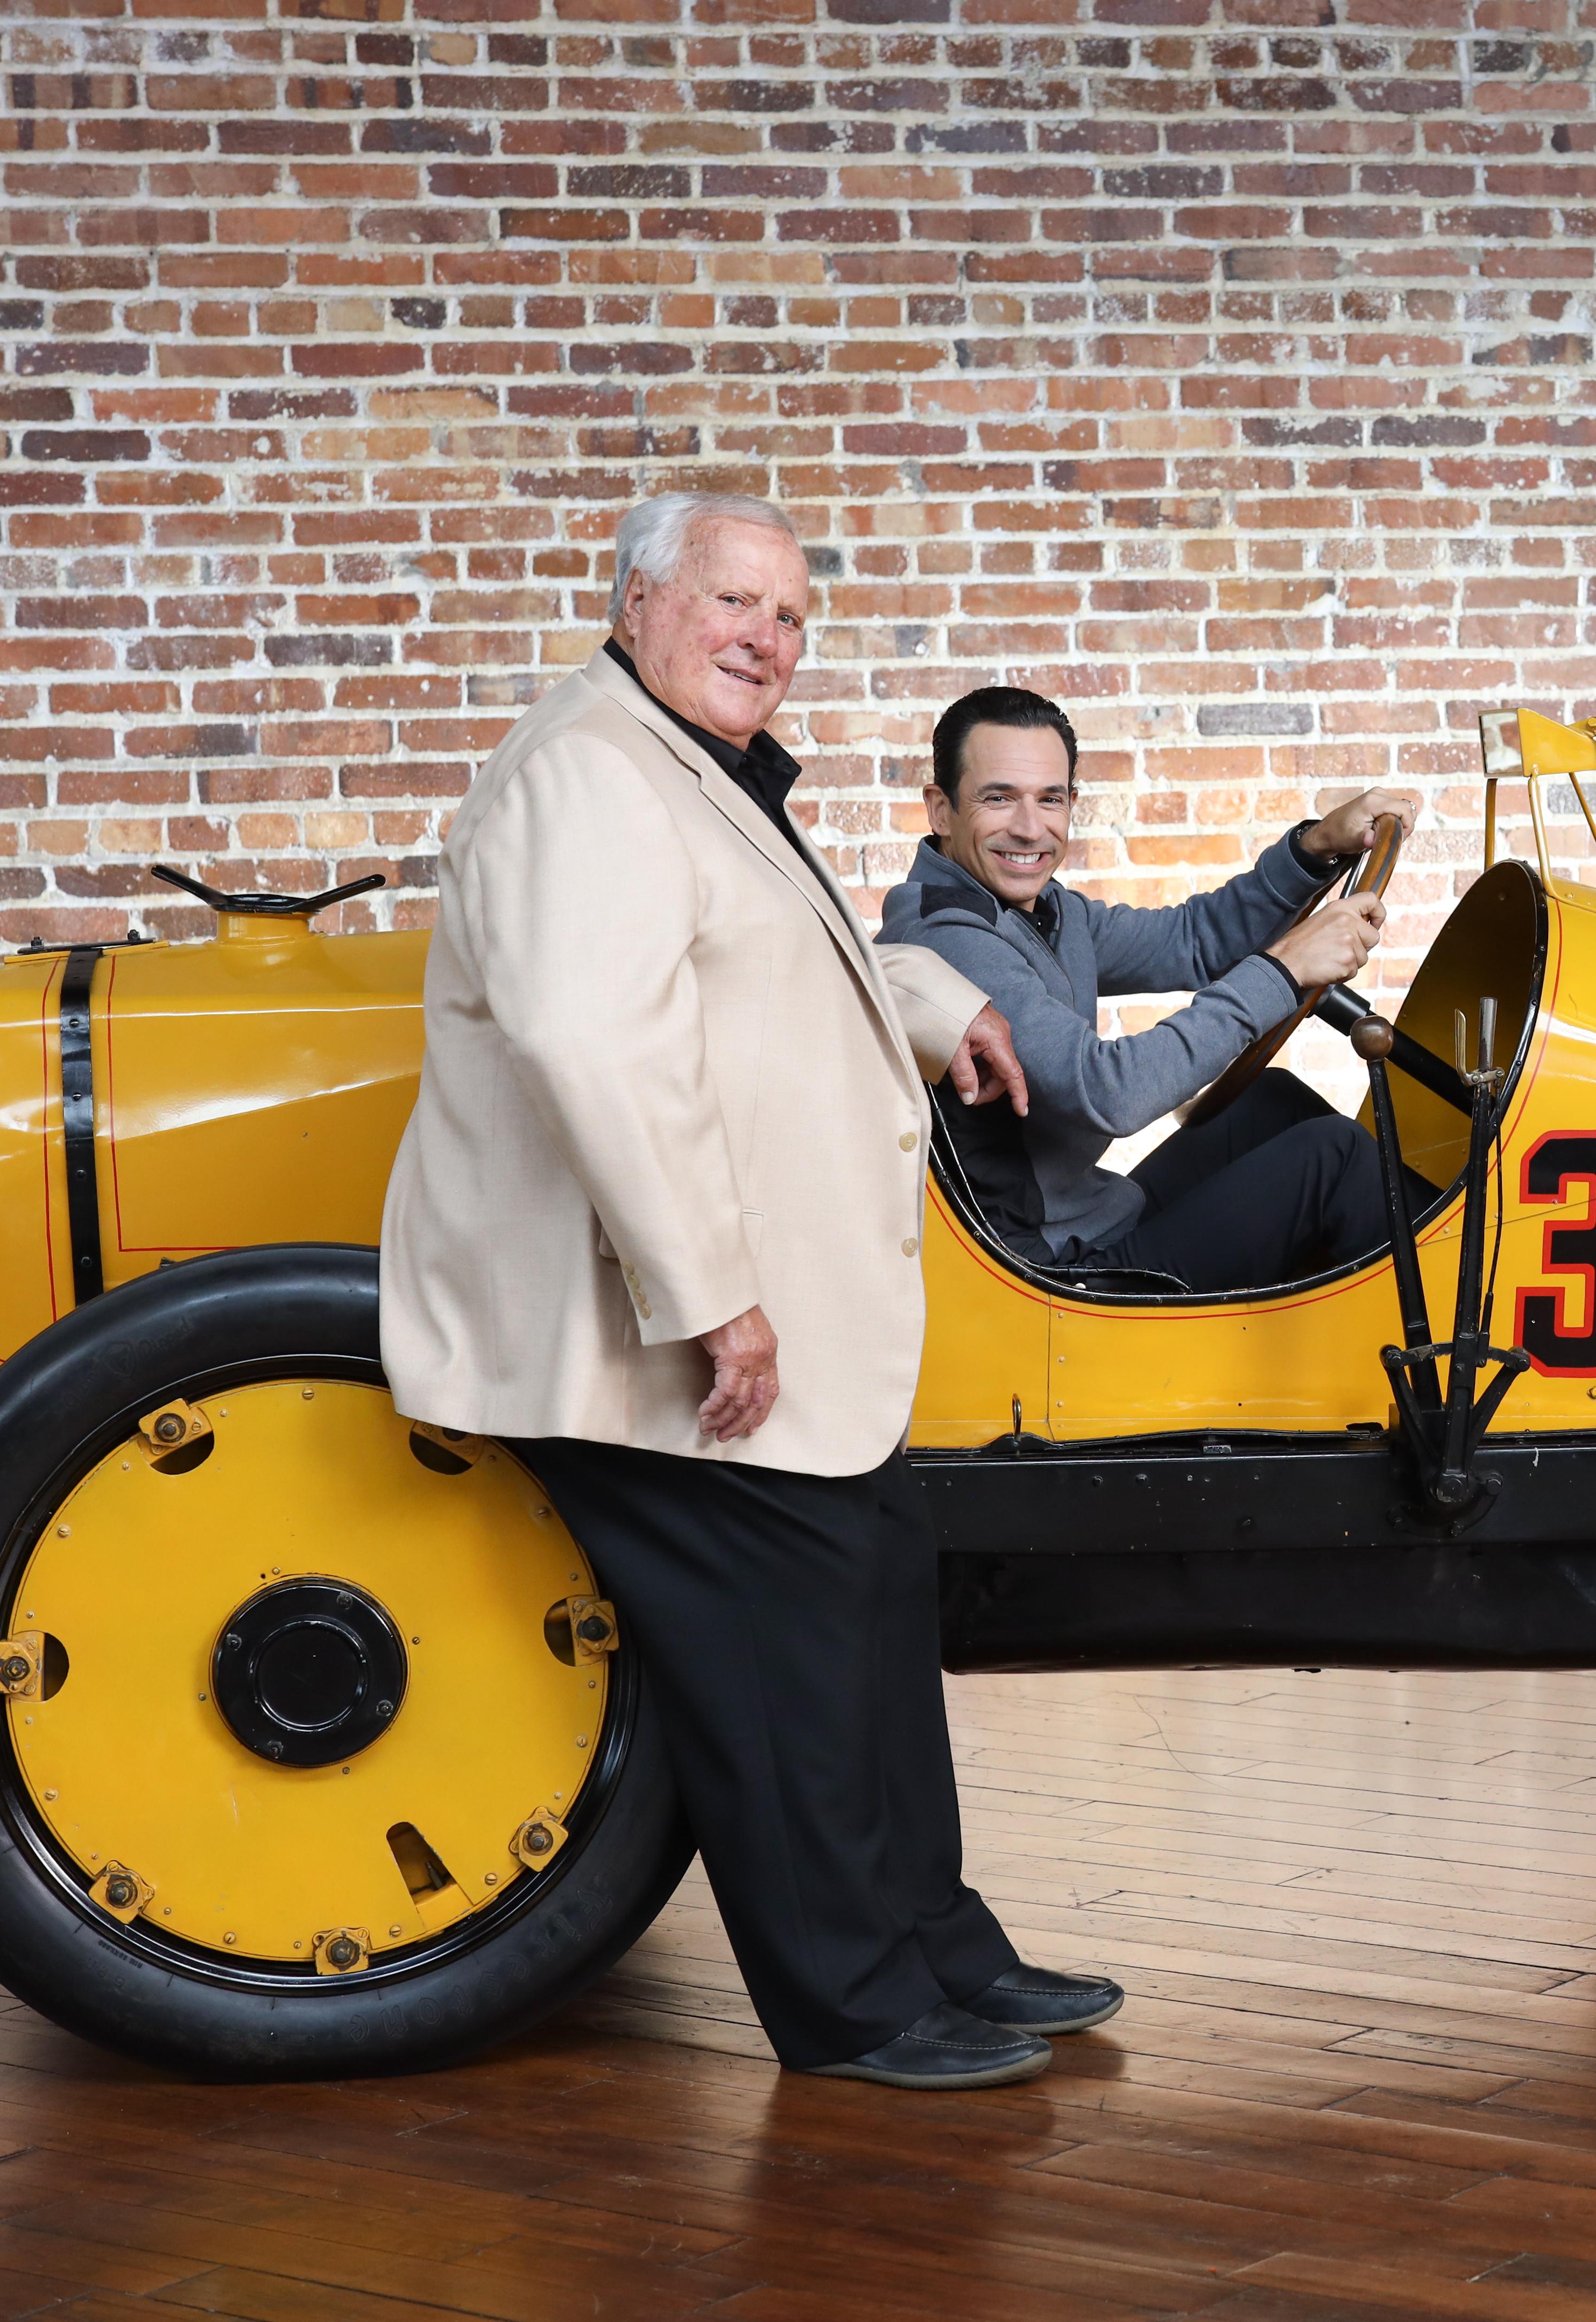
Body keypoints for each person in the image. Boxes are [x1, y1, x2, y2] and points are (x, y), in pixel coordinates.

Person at [379, 491, 1124, 2092]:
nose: (766, 642)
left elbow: (755, 963)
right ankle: (852, 2007)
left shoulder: (678, 763)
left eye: (790, 617)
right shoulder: (589, 771)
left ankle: (935, 1943)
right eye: (733, 602)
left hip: (768, 1323)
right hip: (647, 1328)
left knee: (869, 1594)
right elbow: (595, 1043)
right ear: (638, 598)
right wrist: (715, 1298)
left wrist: (928, 1005)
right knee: (785, 1654)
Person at [878, 683, 1422, 1294]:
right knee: (1336, 1158)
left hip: (1091, 1223)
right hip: (1044, 1276)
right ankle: (1445, 1343)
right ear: (940, 808)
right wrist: (1282, 970)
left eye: (1050, 799)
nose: (1030, 828)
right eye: (998, 798)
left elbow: (1192, 940)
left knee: (1273, 1102)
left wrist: (1314, 847)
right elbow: (1110, 1090)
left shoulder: (1040, 911)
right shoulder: (950, 938)